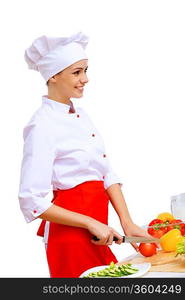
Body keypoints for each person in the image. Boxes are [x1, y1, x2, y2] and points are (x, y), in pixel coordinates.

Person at [18, 31, 152, 278]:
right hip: (70, 237)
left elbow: (106, 173)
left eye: (86, 70)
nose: (86, 79)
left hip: (99, 231)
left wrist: (128, 223)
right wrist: (90, 222)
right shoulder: (42, 125)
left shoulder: (81, 116)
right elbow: (31, 200)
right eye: (77, 72)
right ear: (54, 76)